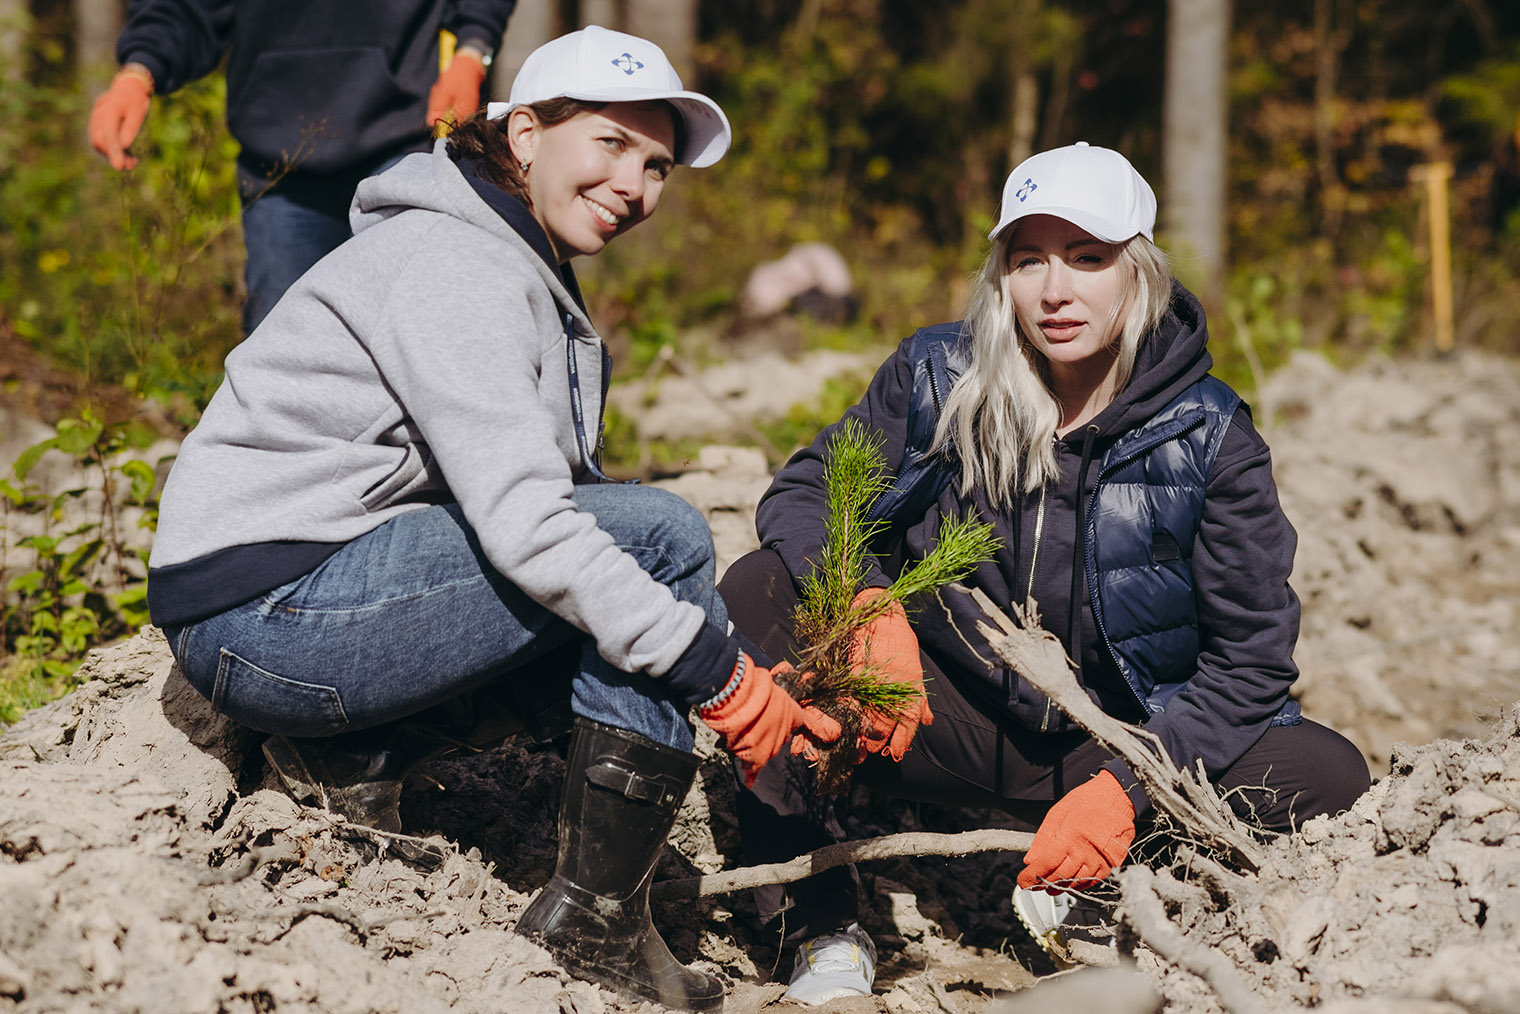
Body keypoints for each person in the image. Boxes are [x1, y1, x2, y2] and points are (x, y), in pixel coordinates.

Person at [145, 26, 839, 1012]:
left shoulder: (490, 249)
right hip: (271, 617)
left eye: (656, 165)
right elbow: (530, 526)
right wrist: (715, 673)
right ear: (522, 135)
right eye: (608, 144)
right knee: (660, 538)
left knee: (627, 567)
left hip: (286, 599)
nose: (634, 184)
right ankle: (594, 924)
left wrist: (694, 651)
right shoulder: (460, 264)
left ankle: (363, 755)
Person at [717, 142, 1372, 1004]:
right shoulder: (936, 376)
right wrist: (868, 607)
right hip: (930, 719)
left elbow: (1251, 662)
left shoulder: (1210, 438)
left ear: (1138, 272)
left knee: (1328, 774)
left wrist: (1129, 787)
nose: (1056, 291)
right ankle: (818, 913)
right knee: (757, 591)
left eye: (1088, 258)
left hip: (1103, 743)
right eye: (1029, 261)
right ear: (1001, 275)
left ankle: (1094, 882)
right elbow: (807, 493)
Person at [87, 0, 517, 335]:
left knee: (417, 342)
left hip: (404, 145)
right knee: (280, 361)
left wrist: (471, 53)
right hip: (278, 168)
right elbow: (184, 10)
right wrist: (138, 72)